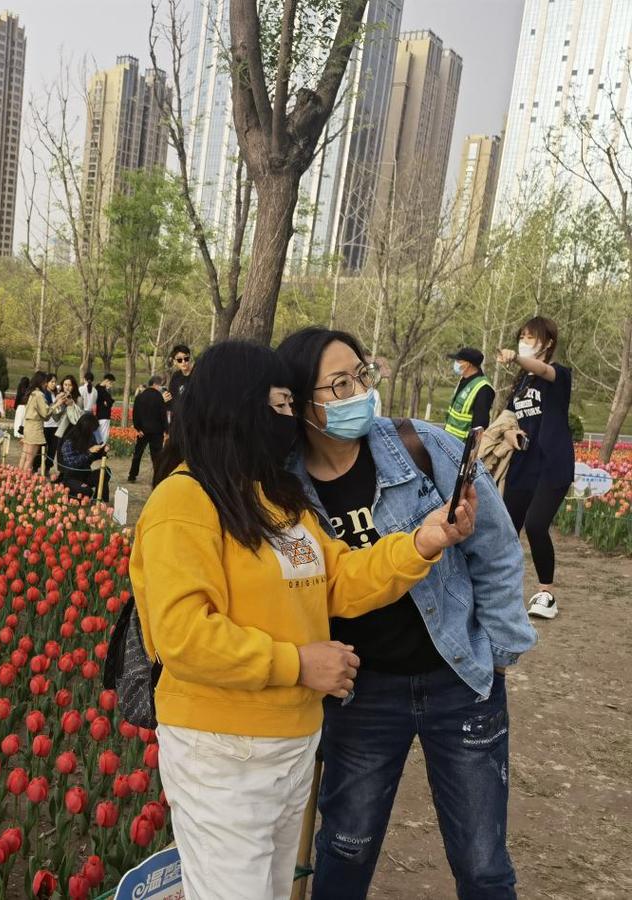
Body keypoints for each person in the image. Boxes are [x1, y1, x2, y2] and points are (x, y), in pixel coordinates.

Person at [130, 339, 477, 900]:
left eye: (292, 404)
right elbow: (183, 636)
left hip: (292, 742)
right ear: (238, 406)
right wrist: (296, 663)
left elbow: (338, 580)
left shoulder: (277, 500)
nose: (290, 419)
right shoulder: (184, 501)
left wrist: (421, 541)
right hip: (223, 749)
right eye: (280, 404)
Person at [277, 327, 535, 900]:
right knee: (345, 850)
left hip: (456, 677)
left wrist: (494, 654)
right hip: (360, 692)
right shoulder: (283, 484)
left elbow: (492, 546)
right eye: (338, 384)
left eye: (361, 376)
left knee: (483, 861)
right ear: (301, 400)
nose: (357, 393)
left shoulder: (422, 446)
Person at [498, 316, 574, 620]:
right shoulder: (520, 383)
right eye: (521, 337)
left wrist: (516, 357)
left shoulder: (559, 375)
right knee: (505, 528)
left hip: (552, 464)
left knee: (537, 524)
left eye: (530, 338)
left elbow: (543, 369)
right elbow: (506, 418)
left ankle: (546, 593)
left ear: (548, 343)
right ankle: (502, 590)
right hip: (523, 465)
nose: (524, 342)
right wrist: (508, 433)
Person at [445, 347, 495, 439]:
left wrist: (472, 450)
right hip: (450, 440)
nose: (455, 364)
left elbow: (480, 425)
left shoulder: (483, 388)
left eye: (458, 361)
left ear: (468, 364)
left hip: (463, 446)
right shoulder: (464, 380)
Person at [57, 412, 107, 500]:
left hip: (85, 474)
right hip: (71, 478)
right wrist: (89, 452)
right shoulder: (69, 441)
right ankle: (70, 493)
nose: (94, 432)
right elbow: (72, 463)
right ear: (86, 428)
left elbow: (93, 457)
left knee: (105, 472)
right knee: (87, 492)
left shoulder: (90, 437)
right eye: (92, 430)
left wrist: (102, 451)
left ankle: (99, 500)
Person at [128, 375, 168, 483]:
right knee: (156, 455)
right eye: (160, 385)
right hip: (157, 432)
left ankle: (132, 475)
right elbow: (162, 415)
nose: (161, 388)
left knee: (138, 454)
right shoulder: (159, 397)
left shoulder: (139, 397)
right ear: (155, 384)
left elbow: (135, 414)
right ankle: (157, 476)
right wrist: (166, 430)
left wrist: (138, 428)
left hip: (143, 431)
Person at [18, 372, 51, 472]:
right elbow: (45, 413)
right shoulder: (39, 395)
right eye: (46, 382)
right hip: (35, 428)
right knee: (30, 459)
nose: (46, 384)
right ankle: (22, 481)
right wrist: (56, 404)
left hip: (28, 427)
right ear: (41, 382)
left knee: (24, 456)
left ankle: (17, 478)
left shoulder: (31, 393)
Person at [166, 344, 192, 416]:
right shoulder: (175, 377)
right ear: (175, 361)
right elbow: (171, 399)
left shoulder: (197, 375)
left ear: (189, 358)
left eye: (186, 358)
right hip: (177, 420)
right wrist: (164, 399)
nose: (183, 362)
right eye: (179, 360)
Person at [95, 373, 115, 444]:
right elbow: (110, 402)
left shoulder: (97, 388)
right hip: (104, 416)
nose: (111, 385)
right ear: (107, 381)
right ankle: (101, 453)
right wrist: (109, 402)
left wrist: (109, 401)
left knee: (99, 436)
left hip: (99, 415)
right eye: (111, 383)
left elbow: (110, 401)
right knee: (103, 437)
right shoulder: (102, 391)